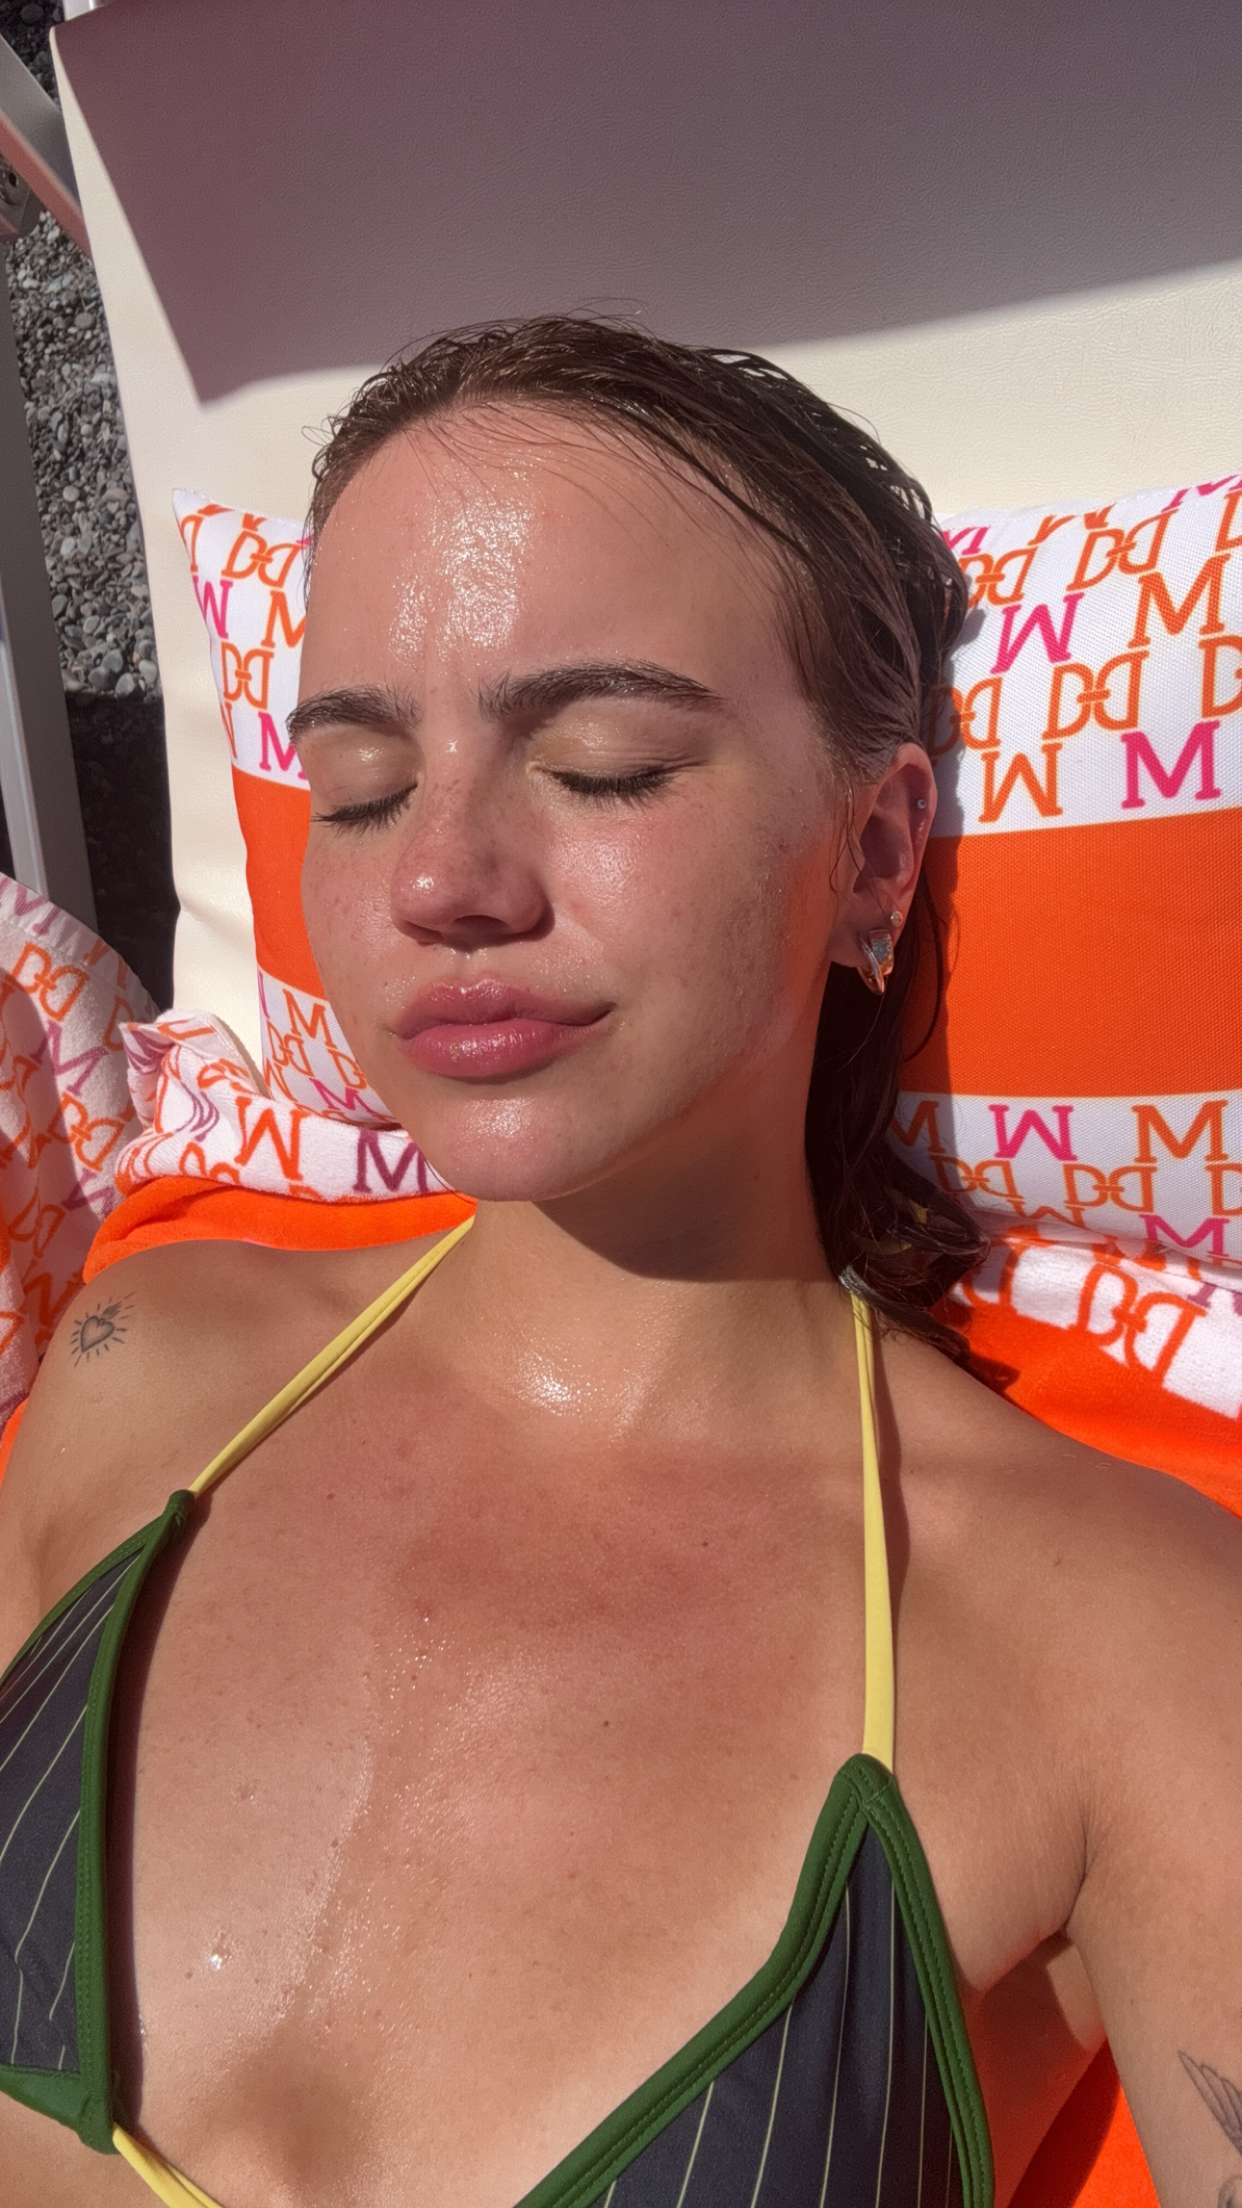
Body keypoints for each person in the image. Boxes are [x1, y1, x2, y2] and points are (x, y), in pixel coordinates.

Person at [0, 312, 1238, 2208]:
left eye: (601, 764)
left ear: (877, 853)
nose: (440, 882)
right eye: (359, 786)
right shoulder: (135, 1367)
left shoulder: (1122, 1651)